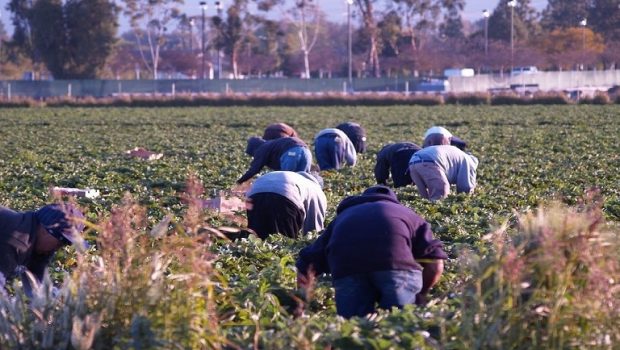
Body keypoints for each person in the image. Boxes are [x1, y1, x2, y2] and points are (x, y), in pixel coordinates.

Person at [296, 186, 447, 318]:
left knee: (354, 333)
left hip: (348, 269)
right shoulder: (407, 214)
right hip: (396, 267)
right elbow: (436, 265)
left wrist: (301, 304)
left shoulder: (343, 217)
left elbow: (306, 262)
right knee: (400, 328)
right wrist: (420, 293)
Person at [0, 203, 85, 291]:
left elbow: (39, 289)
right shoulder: (16, 240)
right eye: (61, 241)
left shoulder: (38, 244)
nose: (59, 247)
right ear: (46, 230)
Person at [246, 171, 327, 239]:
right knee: (283, 241)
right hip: (284, 197)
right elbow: (314, 229)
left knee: (257, 237)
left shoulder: (296, 178)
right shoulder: (316, 189)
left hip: (254, 193)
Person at [408, 143, 479, 201]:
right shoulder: (469, 162)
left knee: (424, 197)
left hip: (413, 161)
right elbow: (466, 187)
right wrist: (464, 200)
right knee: (441, 192)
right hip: (429, 161)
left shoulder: (460, 155)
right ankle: (432, 217)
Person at [237, 136, 312, 184]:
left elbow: (254, 169)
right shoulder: (270, 145)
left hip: (291, 152)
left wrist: (239, 181)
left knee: (286, 182)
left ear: (253, 149)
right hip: (306, 151)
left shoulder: (261, 149)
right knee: (302, 181)